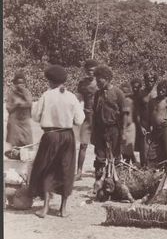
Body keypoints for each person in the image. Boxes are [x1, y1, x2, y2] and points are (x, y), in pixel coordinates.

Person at [29, 65, 85, 218]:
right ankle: (63, 209)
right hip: (67, 136)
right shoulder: (72, 97)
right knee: (66, 170)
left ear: (51, 81)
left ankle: (45, 208)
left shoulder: (47, 96)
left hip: (50, 135)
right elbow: (79, 120)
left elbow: (35, 116)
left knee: (48, 168)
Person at [91, 65, 129, 180]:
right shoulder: (97, 94)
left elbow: (125, 113)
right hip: (100, 130)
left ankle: (116, 183)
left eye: (99, 80)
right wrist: (93, 132)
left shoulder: (118, 93)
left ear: (107, 78)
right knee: (100, 157)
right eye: (96, 80)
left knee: (116, 157)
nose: (97, 83)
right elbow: (94, 113)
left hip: (114, 130)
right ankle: (99, 184)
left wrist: (124, 132)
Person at [75, 60, 98, 180]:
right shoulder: (82, 84)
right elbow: (79, 99)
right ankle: (79, 172)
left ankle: (100, 170)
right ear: (85, 71)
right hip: (86, 117)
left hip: (98, 117)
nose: (91, 73)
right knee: (83, 144)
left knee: (100, 144)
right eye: (89, 70)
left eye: (93, 71)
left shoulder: (100, 83)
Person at [6, 72, 33, 151]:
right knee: (15, 142)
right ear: (15, 84)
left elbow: (29, 103)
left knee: (27, 142)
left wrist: (21, 100)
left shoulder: (27, 92)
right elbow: (8, 108)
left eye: (22, 83)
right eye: (18, 83)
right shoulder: (11, 94)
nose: (21, 85)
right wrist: (16, 104)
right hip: (15, 121)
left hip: (24, 121)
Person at [120, 82, 137, 164]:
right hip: (128, 126)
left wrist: (123, 130)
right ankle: (130, 165)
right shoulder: (129, 101)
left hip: (128, 127)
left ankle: (131, 165)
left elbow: (125, 116)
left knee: (127, 149)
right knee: (126, 149)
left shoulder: (126, 101)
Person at [130, 78, 145, 165]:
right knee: (130, 143)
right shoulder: (131, 97)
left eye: (137, 87)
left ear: (140, 87)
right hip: (133, 122)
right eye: (133, 87)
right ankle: (133, 161)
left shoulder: (143, 97)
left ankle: (143, 163)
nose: (135, 89)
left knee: (142, 144)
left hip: (142, 121)